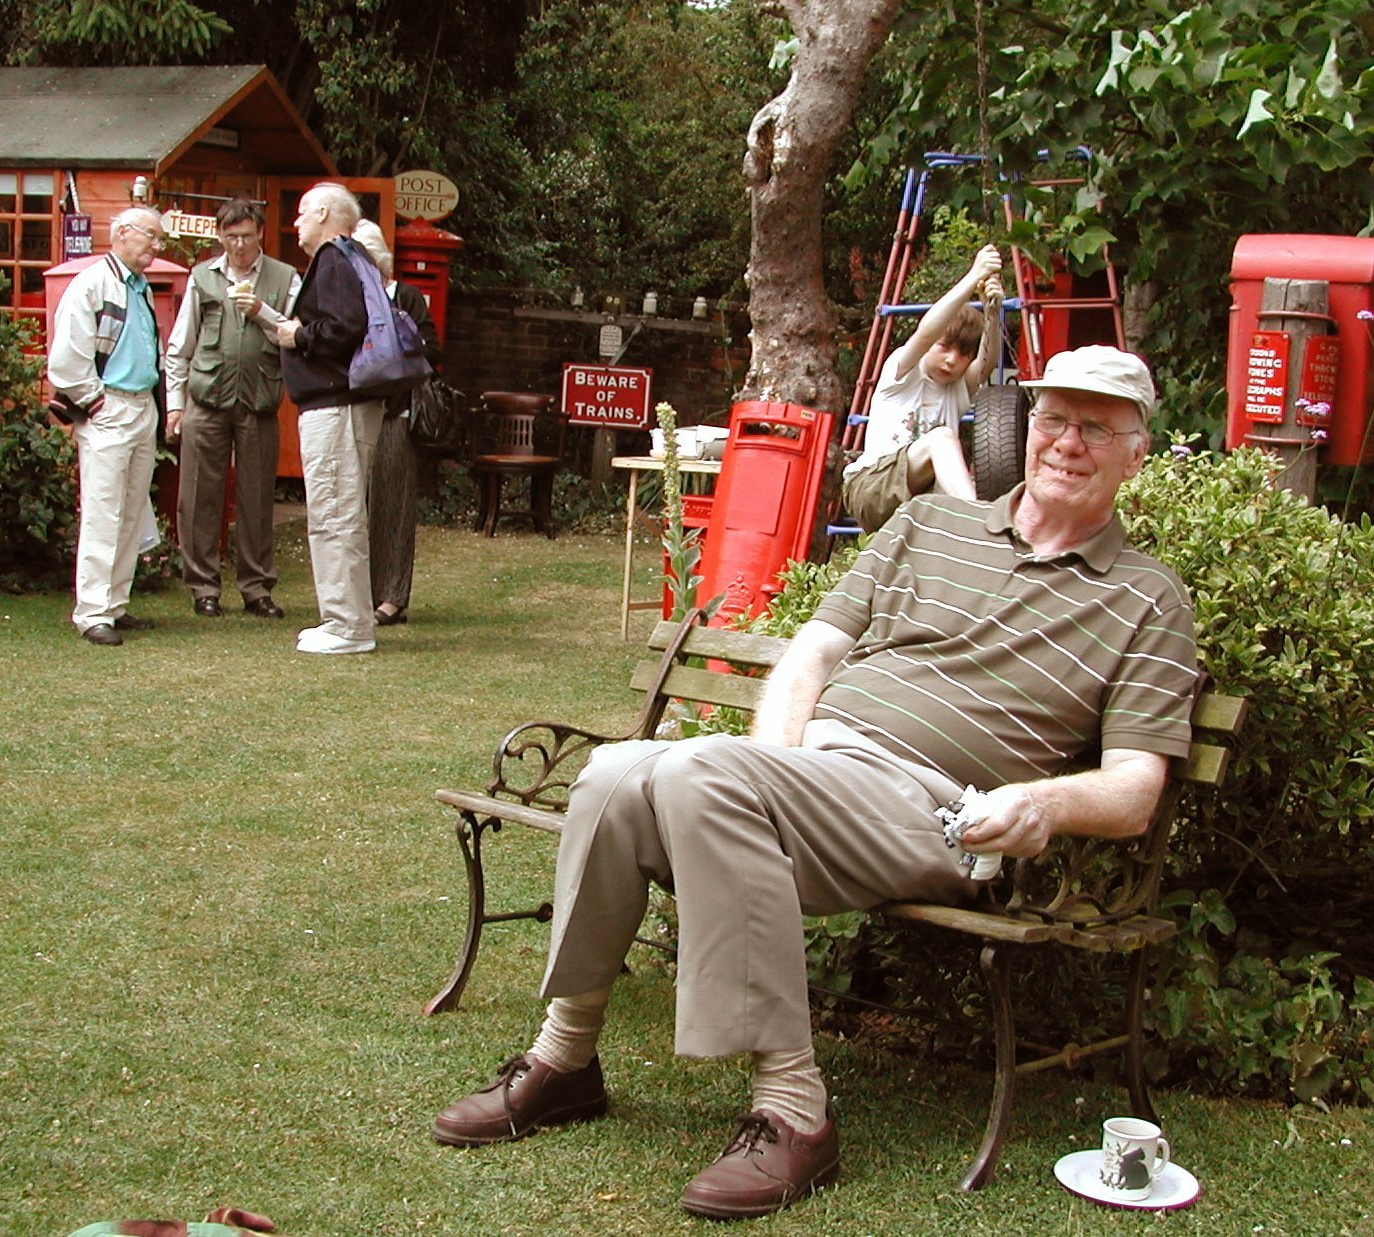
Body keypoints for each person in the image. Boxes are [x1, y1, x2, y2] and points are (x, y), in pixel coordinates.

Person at [431, 345, 1199, 1220]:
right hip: (820, 769)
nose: (1067, 442)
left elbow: (1136, 787)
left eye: (1096, 428)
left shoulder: (1146, 599)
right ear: (1025, 431)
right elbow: (812, 654)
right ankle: (564, 1060)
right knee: (610, 773)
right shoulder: (927, 526)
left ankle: (795, 1111)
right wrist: (782, 762)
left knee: (699, 774)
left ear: (1136, 453)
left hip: (934, 808)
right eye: (1053, 420)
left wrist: (1042, 802)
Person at [163, 198, 300, 621]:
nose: (239, 245)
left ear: (260, 233)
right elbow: (179, 346)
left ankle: (256, 588)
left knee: (257, 497)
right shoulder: (203, 277)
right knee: (199, 495)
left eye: (246, 235)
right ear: (220, 236)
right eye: (231, 236)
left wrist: (260, 311)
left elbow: (293, 335)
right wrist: (174, 405)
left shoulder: (285, 277)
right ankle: (203, 588)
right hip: (206, 398)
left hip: (258, 400)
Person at [48, 206, 167, 647]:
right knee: (104, 511)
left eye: (160, 239)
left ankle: (115, 605)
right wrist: (96, 403)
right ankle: (93, 611)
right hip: (110, 407)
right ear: (121, 234)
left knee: (132, 510)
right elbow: (66, 359)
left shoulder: (141, 288)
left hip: (140, 407)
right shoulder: (92, 284)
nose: (156, 246)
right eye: (150, 236)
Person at [274, 183, 379, 655]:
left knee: (335, 514)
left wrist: (299, 334)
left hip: (336, 407)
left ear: (322, 212)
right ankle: (342, 619)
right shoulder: (350, 257)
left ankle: (348, 627)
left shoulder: (336, 257)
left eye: (300, 213)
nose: (295, 222)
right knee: (335, 513)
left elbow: (343, 328)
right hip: (339, 407)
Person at [842, 243, 1004, 532]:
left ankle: (971, 536)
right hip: (872, 486)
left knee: (954, 481)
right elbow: (927, 331)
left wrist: (992, 311)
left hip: (917, 497)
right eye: (944, 347)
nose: (952, 360)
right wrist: (973, 276)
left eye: (963, 355)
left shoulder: (956, 389)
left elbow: (986, 362)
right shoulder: (903, 372)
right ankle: (979, 524)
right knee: (942, 439)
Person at [350, 219, 442, 627]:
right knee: (355, 506)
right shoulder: (350, 300)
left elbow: (431, 349)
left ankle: (392, 596)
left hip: (395, 414)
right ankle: (358, 592)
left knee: (392, 505)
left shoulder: (405, 297)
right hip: (354, 410)